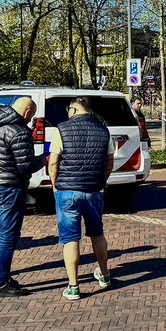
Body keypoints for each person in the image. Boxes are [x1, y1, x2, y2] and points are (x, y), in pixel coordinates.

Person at [48, 97, 114, 301]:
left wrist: (54, 185)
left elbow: (53, 162)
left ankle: (74, 286)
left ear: (75, 110)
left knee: (70, 238)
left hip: (67, 191)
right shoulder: (103, 130)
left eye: (69, 109)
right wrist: (101, 180)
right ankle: (104, 275)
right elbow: (109, 161)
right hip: (93, 190)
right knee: (97, 234)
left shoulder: (62, 129)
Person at [0, 97, 44, 298]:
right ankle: (0, 283)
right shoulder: (18, 131)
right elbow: (25, 165)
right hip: (10, 187)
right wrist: (45, 159)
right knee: (8, 236)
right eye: (30, 115)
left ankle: (0, 276)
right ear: (26, 112)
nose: (29, 119)